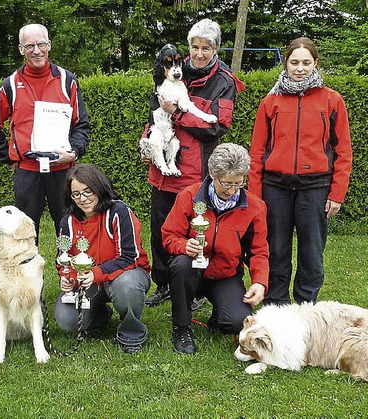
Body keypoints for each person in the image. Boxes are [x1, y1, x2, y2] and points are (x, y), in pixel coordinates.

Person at [140, 19, 245, 307]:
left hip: (196, 170)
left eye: (206, 48)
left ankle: (196, 289)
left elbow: (217, 126)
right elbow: (154, 112)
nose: (199, 53)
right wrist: (146, 141)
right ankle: (163, 285)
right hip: (163, 169)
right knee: (161, 226)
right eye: (195, 47)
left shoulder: (223, 81)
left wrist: (177, 113)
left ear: (216, 49)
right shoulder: (174, 68)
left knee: (196, 229)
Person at [249, 37, 352, 306]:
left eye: (306, 62)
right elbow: (257, 153)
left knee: (312, 254)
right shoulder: (270, 102)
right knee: (276, 251)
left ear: (315, 64)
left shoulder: (332, 100)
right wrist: (256, 197)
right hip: (276, 188)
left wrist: (337, 193)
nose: (300, 68)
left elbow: (343, 151)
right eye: (294, 62)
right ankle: (276, 307)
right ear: (286, 63)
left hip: (315, 188)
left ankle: (306, 309)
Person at [0, 23, 90, 242]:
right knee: (23, 230)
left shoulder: (67, 80)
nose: (36, 50)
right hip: (27, 171)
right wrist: (11, 155)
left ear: (49, 45)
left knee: (67, 226)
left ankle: (68, 273)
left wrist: (75, 152)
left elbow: (81, 125)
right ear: (21, 49)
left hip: (61, 169)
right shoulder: (10, 85)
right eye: (30, 45)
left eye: (41, 44)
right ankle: (24, 274)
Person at [161, 143, 268, 354]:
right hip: (191, 268)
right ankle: (181, 328)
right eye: (226, 183)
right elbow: (168, 236)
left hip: (225, 275)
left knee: (237, 322)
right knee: (181, 265)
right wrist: (185, 245)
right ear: (212, 175)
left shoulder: (255, 207)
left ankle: (220, 316)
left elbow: (259, 250)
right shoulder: (188, 196)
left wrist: (259, 281)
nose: (232, 190)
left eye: (238, 183)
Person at [54, 164, 151, 354]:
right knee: (66, 320)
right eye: (76, 194)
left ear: (99, 187)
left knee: (128, 284)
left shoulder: (119, 212)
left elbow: (130, 257)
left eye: (88, 191)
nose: (83, 199)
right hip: (89, 282)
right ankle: (99, 316)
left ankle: (131, 331)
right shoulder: (67, 222)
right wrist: (68, 277)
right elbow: (62, 258)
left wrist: (95, 273)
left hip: (123, 276)